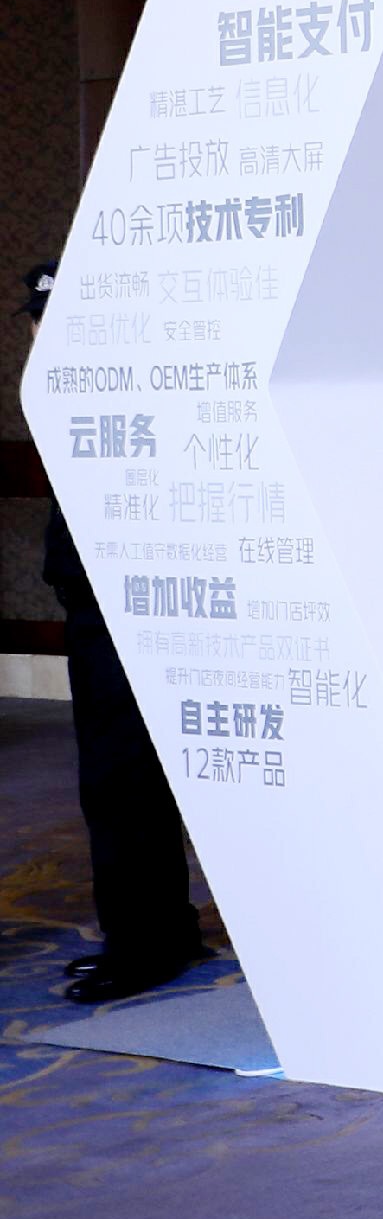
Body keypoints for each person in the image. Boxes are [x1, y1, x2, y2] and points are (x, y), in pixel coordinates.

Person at [22, 261, 208, 1004]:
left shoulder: (115, 388)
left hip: (123, 600)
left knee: (121, 778)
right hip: (98, 600)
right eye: (36, 322)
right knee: (126, 778)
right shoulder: (66, 390)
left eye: (53, 321)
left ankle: (144, 947)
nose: (41, 335)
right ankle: (160, 932)